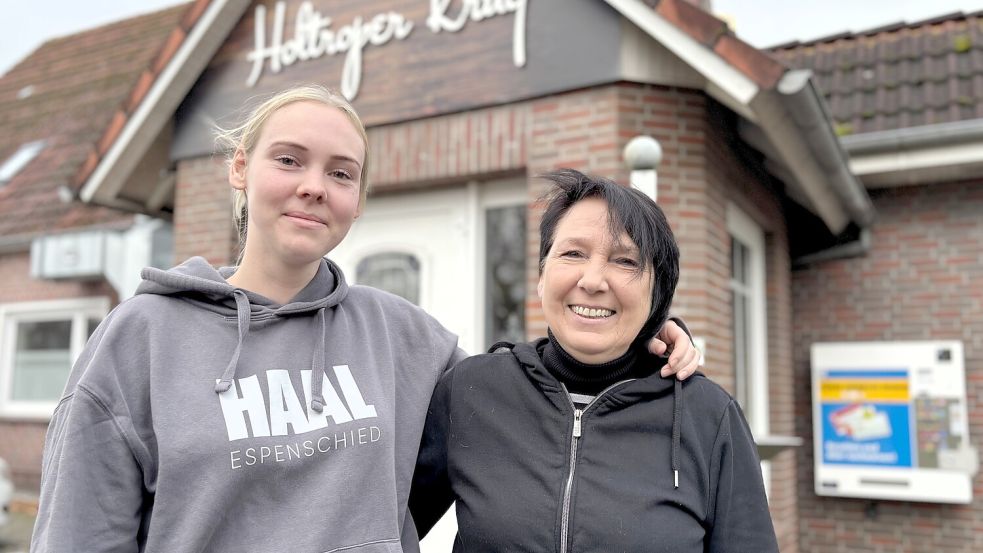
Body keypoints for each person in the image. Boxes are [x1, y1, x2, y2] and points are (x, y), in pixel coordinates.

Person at [31, 86, 698, 552]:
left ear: (357, 199)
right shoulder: (141, 338)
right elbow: (79, 534)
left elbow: (526, 389)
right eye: (288, 159)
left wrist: (639, 337)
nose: (313, 185)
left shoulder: (401, 336)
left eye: (341, 172)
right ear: (240, 168)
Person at [410, 169, 779, 552]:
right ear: (541, 275)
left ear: (657, 291)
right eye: (573, 253)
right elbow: (380, 525)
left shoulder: (708, 417)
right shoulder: (472, 391)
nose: (593, 280)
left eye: (624, 261)